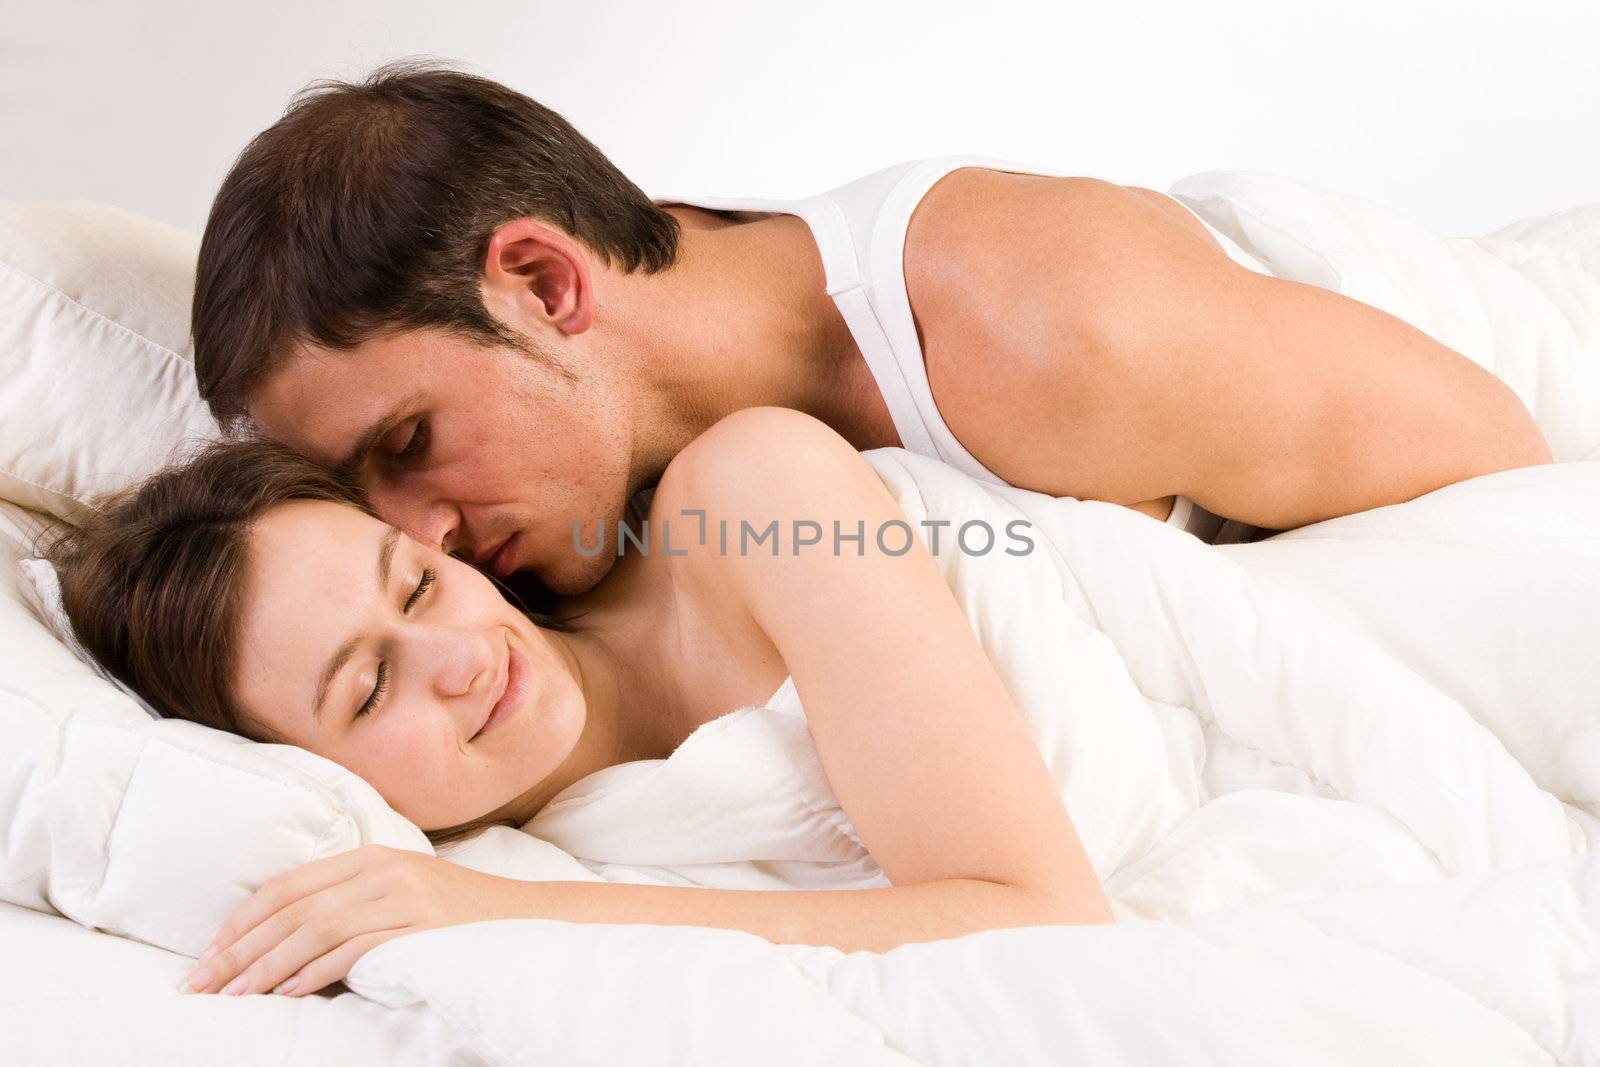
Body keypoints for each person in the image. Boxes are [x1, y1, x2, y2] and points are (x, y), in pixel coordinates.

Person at [190, 62, 1552, 598]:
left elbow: (1505, 467)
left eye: (410, 442)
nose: (413, 534)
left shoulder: (1050, 334)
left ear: (546, 282)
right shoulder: (624, 402)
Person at [48, 407, 1113, 1000]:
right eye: (370, 687)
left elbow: (1044, 915)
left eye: (416, 583)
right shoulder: (490, 868)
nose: (459, 659)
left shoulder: (746, 497)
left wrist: (499, 909)